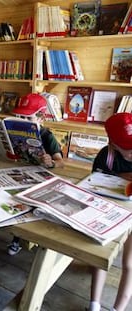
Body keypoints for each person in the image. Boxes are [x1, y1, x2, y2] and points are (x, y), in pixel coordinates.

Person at [7, 93, 64, 256]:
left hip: (41, 178)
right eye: (19, 117)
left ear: (41, 118)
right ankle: (15, 232)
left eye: (28, 119)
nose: (23, 122)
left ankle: (19, 238)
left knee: (28, 203)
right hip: (19, 172)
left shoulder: (47, 135)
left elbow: (61, 163)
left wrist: (51, 163)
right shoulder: (14, 132)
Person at [87, 112, 132, 311]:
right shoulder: (106, 155)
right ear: (112, 143)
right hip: (108, 211)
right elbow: (95, 180)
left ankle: (118, 308)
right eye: (127, 147)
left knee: (129, 262)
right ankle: (94, 304)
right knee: (101, 254)